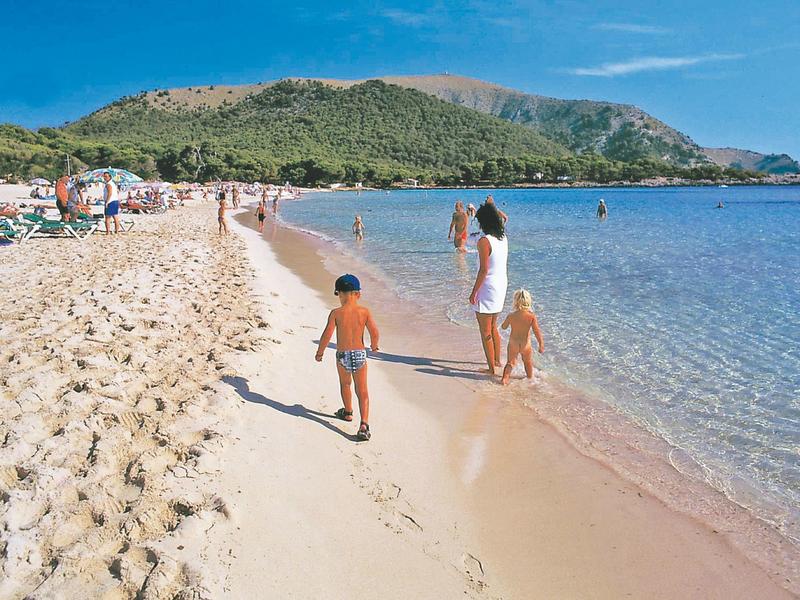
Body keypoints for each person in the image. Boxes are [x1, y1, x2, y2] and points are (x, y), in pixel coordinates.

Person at [315, 274, 380, 441]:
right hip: (359, 354)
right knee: (362, 390)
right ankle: (364, 424)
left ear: (340, 293)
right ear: (358, 294)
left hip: (342, 355)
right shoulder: (364, 312)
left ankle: (348, 412)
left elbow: (326, 335)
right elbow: (374, 331)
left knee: (345, 384)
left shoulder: (336, 313)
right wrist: (374, 345)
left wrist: (320, 352)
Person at [469, 203, 508, 375]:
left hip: (488, 286)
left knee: (485, 330)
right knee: (493, 326)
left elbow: (483, 270)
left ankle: (491, 368)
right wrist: (492, 206)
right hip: (501, 284)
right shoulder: (503, 238)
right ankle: (497, 361)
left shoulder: (484, 241)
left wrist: (473, 292)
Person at [500, 289, 545, 385]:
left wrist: (506, 322)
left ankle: (504, 379)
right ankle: (530, 379)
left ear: (515, 301)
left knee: (510, 363)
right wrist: (541, 344)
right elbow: (537, 331)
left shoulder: (511, 315)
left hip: (513, 344)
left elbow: (504, 327)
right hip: (526, 344)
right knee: (527, 362)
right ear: (529, 302)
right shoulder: (531, 317)